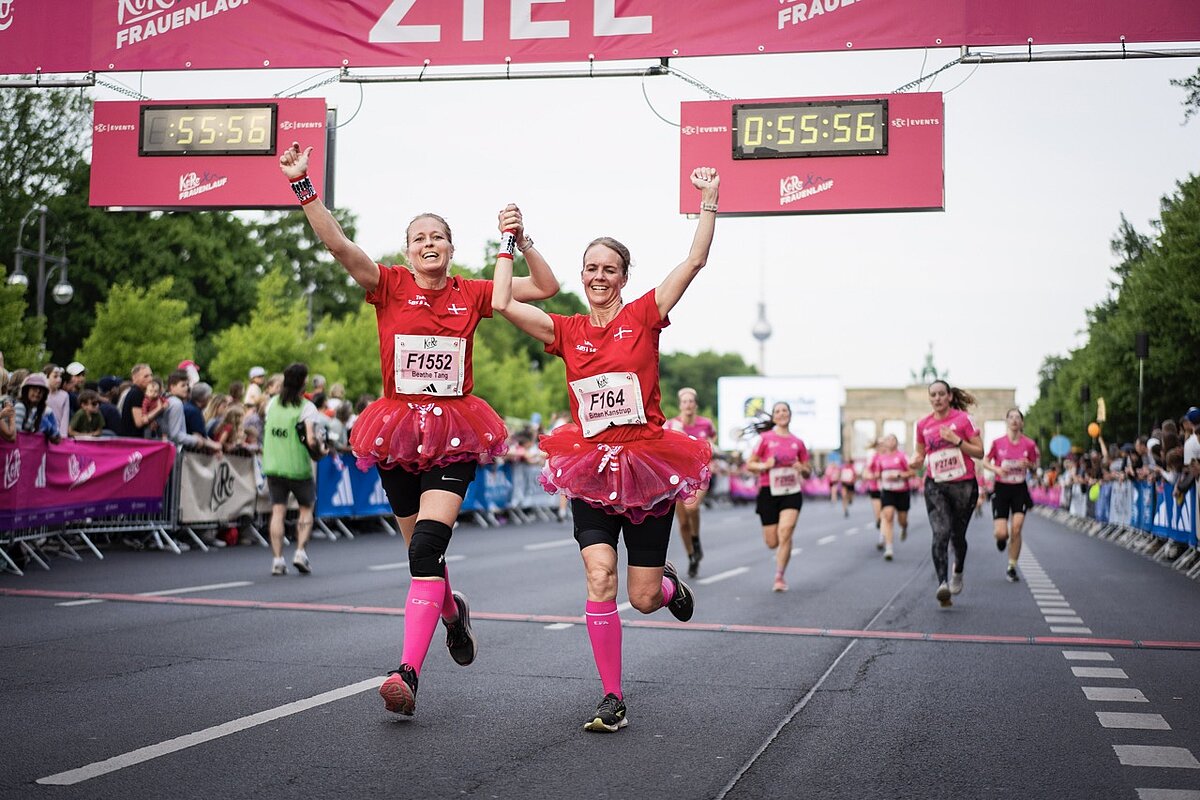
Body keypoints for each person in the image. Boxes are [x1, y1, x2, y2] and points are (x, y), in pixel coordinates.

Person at [279, 141, 560, 718]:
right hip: (398, 432)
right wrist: (303, 185)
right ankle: (453, 614)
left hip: (455, 431)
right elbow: (338, 244)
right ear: (407, 252)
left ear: (452, 248)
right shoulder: (387, 285)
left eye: (438, 237)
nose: (429, 244)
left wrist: (521, 240)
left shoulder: (474, 292)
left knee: (428, 546)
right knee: (420, 554)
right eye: (418, 238)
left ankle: (406, 672)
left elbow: (546, 289)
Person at [491, 166, 718, 732]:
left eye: (609, 269)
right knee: (599, 575)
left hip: (646, 466)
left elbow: (693, 261)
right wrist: (514, 243)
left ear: (623, 276)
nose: (598, 276)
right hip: (592, 468)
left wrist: (709, 201)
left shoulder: (644, 315)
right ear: (582, 275)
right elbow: (502, 302)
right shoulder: (566, 330)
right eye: (591, 268)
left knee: (641, 598)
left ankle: (666, 585)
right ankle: (612, 697)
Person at [912, 380, 984, 607]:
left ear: (950, 396)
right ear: (929, 398)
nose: (937, 398)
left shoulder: (963, 420)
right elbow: (919, 454)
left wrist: (957, 441)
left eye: (941, 394)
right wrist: (915, 462)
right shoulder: (922, 424)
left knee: (957, 536)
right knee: (940, 532)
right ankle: (942, 583)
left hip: (964, 485)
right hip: (936, 485)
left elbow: (980, 452)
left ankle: (958, 571)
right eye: (933, 395)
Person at [262, 363, 323, 576]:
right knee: (305, 509)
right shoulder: (307, 407)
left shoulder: (272, 404)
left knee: (278, 511)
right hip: (297, 466)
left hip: (273, 464)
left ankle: (277, 560)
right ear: (302, 382)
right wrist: (321, 450)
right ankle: (300, 552)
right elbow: (311, 439)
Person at [745, 401, 813, 591]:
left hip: (791, 492)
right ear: (774, 417)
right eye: (778, 411)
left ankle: (779, 577)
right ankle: (784, 546)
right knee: (772, 542)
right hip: (768, 491)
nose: (782, 413)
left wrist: (802, 469)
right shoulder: (765, 439)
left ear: (790, 415)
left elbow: (808, 470)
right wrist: (764, 465)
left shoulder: (798, 442)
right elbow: (750, 464)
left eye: (785, 410)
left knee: (786, 530)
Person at [981, 408, 1039, 582]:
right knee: (1001, 533)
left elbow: (1035, 466)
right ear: (1006, 421)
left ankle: (1012, 566)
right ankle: (1001, 539)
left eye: (1017, 417)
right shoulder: (997, 443)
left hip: (1019, 488)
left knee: (1016, 528)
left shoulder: (1029, 444)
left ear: (1022, 423)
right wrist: (997, 469)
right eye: (1011, 417)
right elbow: (985, 461)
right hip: (1001, 489)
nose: (1014, 420)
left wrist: (1029, 465)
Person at [665, 386, 717, 577]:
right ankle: (692, 556)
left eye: (691, 401)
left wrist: (711, 452)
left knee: (692, 507)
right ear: (680, 405)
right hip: (678, 477)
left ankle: (695, 540)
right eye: (684, 402)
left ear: (695, 405)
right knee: (683, 523)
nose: (688, 405)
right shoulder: (671, 425)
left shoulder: (705, 424)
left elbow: (713, 438)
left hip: (700, 474)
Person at [864, 434, 912, 560]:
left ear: (897, 442)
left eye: (892, 439)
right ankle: (889, 548)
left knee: (902, 520)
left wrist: (899, 475)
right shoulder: (879, 458)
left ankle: (904, 527)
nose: (889, 442)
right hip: (887, 491)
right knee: (888, 516)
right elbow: (875, 473)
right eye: (887, 440)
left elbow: (912, 472)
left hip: (902, 491)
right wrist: (873, 476)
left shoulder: (902, 456)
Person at [14, 373, 61, 442]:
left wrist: (48, 428)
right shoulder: (20, 407)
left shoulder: (36, 411)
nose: (37, 393)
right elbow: (17, 435)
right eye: (34, 389)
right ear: (26, 391)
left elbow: (57, 439)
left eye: (41, 391)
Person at [117, 363, 152, 438]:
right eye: (146, 376)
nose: (150, 379)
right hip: (134, 439)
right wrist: (159, 409)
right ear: (135, 378)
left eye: (151, 375)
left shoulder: (132, 391)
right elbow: (139, 422)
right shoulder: (137, 393)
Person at [42, 364, 70, 432]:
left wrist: (62, 435)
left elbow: (65, 418)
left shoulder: (64, 395)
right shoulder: (41, 394)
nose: (59, 380)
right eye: (55, 376)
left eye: (60, 376)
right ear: (46, 377)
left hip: (58, 433)